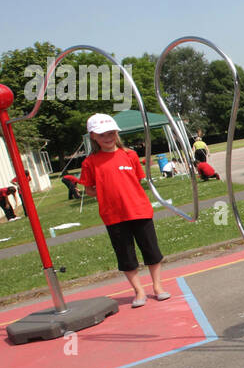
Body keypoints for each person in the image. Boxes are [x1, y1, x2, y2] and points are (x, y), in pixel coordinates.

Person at [73, 113, 171, 308]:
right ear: (93, 136)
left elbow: (137, 179)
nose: (108, 138)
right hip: (113, 216)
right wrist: (103, 190)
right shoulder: (90, 163)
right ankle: (138, 291)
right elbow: (89, 189)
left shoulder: (130, 155)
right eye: (102, 135)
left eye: (111, 133)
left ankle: (158, 286)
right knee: (126, 255)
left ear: (117, 133)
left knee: (151, 250)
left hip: (139, 210)